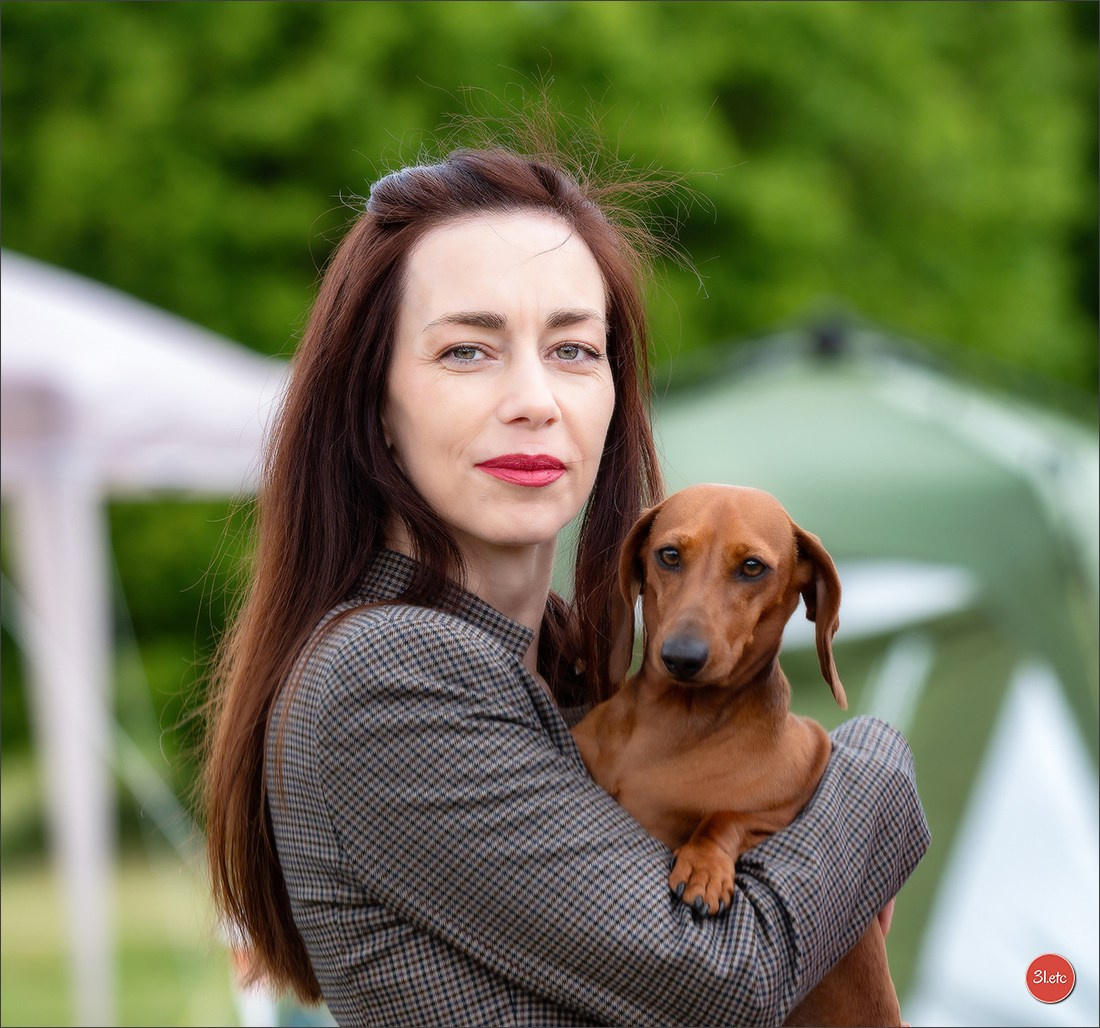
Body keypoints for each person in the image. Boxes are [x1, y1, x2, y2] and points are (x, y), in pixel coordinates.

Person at [202, 131, 930, 1026]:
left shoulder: (573, 665)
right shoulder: (383, 677)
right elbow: (717, 977)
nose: (535, 399)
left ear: (615, 395)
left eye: (575, 351)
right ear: (373, 402)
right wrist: (874, 778)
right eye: (467, 350)